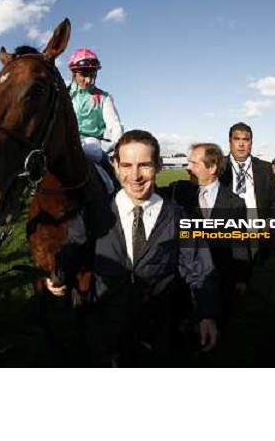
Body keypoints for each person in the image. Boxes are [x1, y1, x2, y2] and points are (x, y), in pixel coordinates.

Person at [87, 130, 219, 367]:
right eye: (126, 165)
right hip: (103, 337)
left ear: (159, 166)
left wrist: (206, 313)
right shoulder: (94, 213)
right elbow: (71, 251)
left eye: (144, 165)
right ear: (115, 166)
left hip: (157, 338)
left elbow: (199, 267)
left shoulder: (179, 217)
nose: (135, 175)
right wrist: (57, 273)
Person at [160, 143, 250, 329]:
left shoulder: (235, 203)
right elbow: (149, 193)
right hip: (184, 277)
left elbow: (239, 243)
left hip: (219, 277)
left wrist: (241, 278)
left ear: (212, 167)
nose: (187, 167)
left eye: (193, 163)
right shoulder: (178, 191)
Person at [219, 122, 275, 263]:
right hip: (227, 235)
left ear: (251, 142)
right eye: (237, 139)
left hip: (256, 232)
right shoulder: (219, 167)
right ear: (230, 142)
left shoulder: (264, 168)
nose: (241, 144)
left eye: (245, 140)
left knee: (258, 273)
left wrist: (270, 221)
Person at [67, 48, 124, 155]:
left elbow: (114, 125)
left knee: (91, 151)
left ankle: (107, 167)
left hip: (91, 143)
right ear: (74, 73)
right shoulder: (63, 94)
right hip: (64, 141)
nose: (88, 80)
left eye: (92, 75)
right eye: (84, 75)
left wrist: (115, 144)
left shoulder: (104, 97)